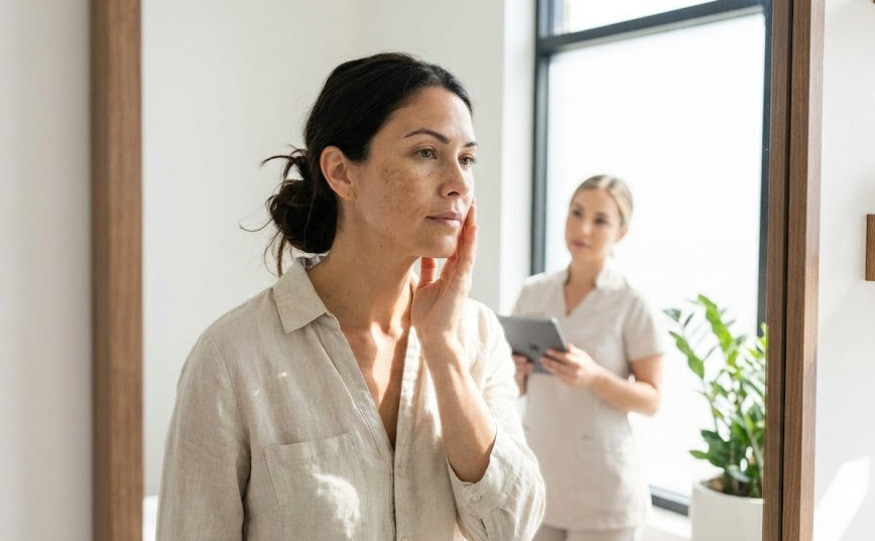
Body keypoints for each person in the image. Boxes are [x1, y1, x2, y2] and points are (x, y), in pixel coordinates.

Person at [156, 52, 545, 541]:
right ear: (341, 172)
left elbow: (510, 528)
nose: (459, 183)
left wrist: (443, 350)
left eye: (466, 158)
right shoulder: (233, 357)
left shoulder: (477, 335)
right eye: (427, 153)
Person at [511, 175, 667, 541]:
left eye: (600, 220)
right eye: (576, 212)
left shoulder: (632, 303)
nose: (582, 228)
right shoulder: (534, 292)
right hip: (542, 477)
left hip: (604, 493)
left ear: (621, 232)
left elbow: (652, 400)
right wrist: (515, 372)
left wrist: (594, 377)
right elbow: (512, 386)